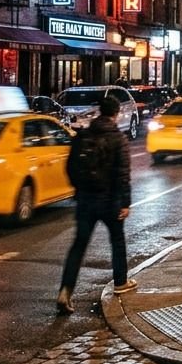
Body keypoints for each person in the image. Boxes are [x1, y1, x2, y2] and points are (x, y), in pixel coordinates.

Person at [57, 95, 134, 313]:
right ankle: (120, 281)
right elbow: (123, 174)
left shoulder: (84, 135)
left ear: (100, 111)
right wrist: (125, 202)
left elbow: (70, 167)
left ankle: (65, 290)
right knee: (117, 241)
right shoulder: (118, 138)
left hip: (86, 200)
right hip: (110, 200)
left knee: (78, 245)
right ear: (116, 113)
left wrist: (79, 189)